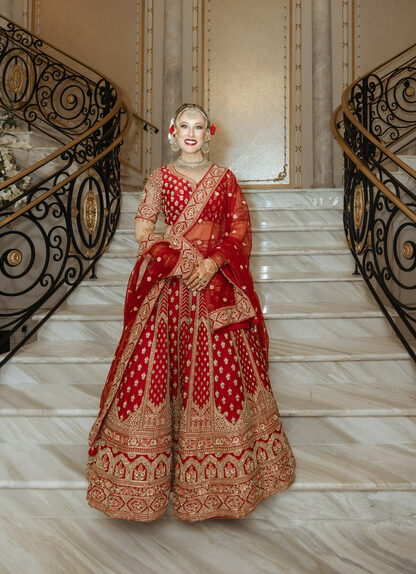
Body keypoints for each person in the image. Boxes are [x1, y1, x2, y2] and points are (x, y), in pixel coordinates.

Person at [86, 103, 295, 522]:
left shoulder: (225, 180)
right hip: (169, 286)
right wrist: (179, 262)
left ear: (209, 133)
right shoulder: (160, 178)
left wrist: (211, 264)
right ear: (172, 132)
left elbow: (239, 232)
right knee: (154, 374)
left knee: (222, 377)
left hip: (214, 288)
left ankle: (223, 483)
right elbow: (143, 227)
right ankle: (144, 480)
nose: (192, 133)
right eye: (185, 126)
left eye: (199, 126)